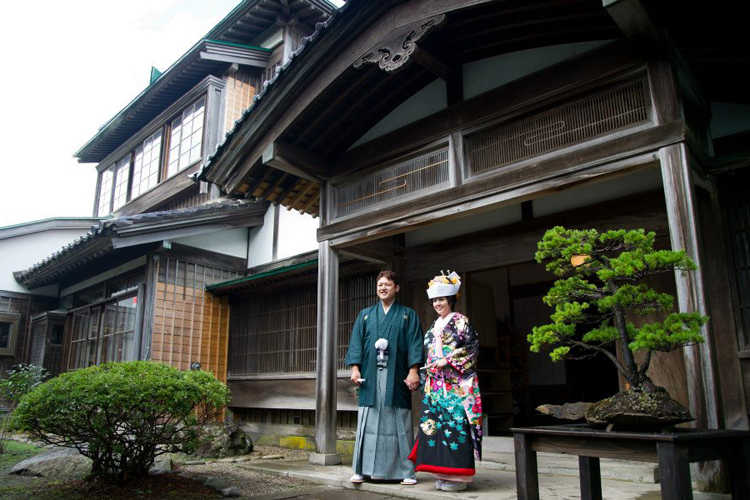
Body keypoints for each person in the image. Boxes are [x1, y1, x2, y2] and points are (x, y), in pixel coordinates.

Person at [345, 270, 424, 485]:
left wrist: (414, 370)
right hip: (370, 377)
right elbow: (356, 343)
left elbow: (415, 344)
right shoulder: (366, 315)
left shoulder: (408, 315)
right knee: (367, 422)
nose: (383, 288)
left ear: (396, 287)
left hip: (397, 376)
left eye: (387, 284)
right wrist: (355, 369)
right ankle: (362, 470)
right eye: (380, 284)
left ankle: (406, 472)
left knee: (400, 421)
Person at [409, 271, 482, 492]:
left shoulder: (461, 322)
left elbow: (472, 349)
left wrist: (448, 360)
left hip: (456, 388)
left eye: (441, 299)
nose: (438, 304)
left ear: (451, 299)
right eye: (434, 300)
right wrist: (428, 371)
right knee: (434, 429)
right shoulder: (433, 327)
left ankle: (458, 478)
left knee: (456, 427)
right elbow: (427, 354)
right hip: (436, 388)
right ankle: (441, 473)